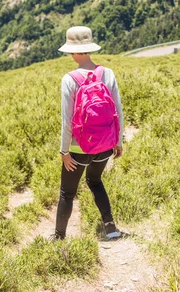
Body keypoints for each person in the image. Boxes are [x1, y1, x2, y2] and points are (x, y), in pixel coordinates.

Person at [52, 26, 124, 241]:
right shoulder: (107, 73)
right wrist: (118, 142)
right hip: (105, 145)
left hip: (78, 148)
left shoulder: (69, 79)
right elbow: (117, 111)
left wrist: (64, 151)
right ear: (90, 48)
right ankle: (111, 228)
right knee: (95, 182)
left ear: (72, 52)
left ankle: (59, 237)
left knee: (67, 193)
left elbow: (67, 121)